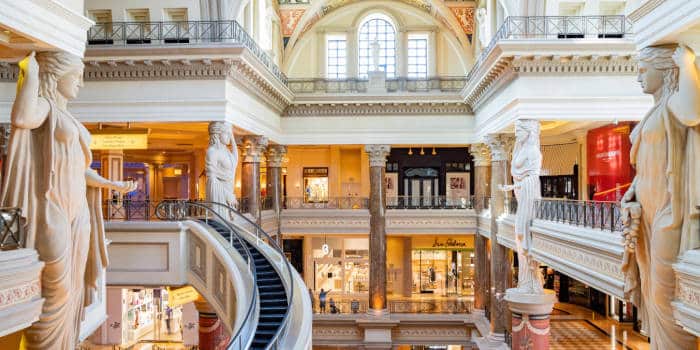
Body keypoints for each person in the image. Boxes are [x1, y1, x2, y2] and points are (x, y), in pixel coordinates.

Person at [1, 51, 136, 349]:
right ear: (57, 76)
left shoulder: (69, 117)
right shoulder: (45, 107)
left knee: (72, 286)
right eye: (76, 77)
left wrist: (113, 184)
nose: (81, 84)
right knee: (57, 288)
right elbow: (21, 118)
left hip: (78, 212)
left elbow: (81, 168)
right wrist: (31, 72)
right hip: (52, 207)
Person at [620, 44, 699, 350]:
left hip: (669, 211)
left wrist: (688, 64)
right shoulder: (656, 110)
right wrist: (633, 189)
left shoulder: (673, 104)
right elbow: (647, 165)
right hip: (649, 210)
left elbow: (693, 112)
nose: (639, 76)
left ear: (665, 71)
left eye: (643, 69)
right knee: (654, 290)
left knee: (664, 295)